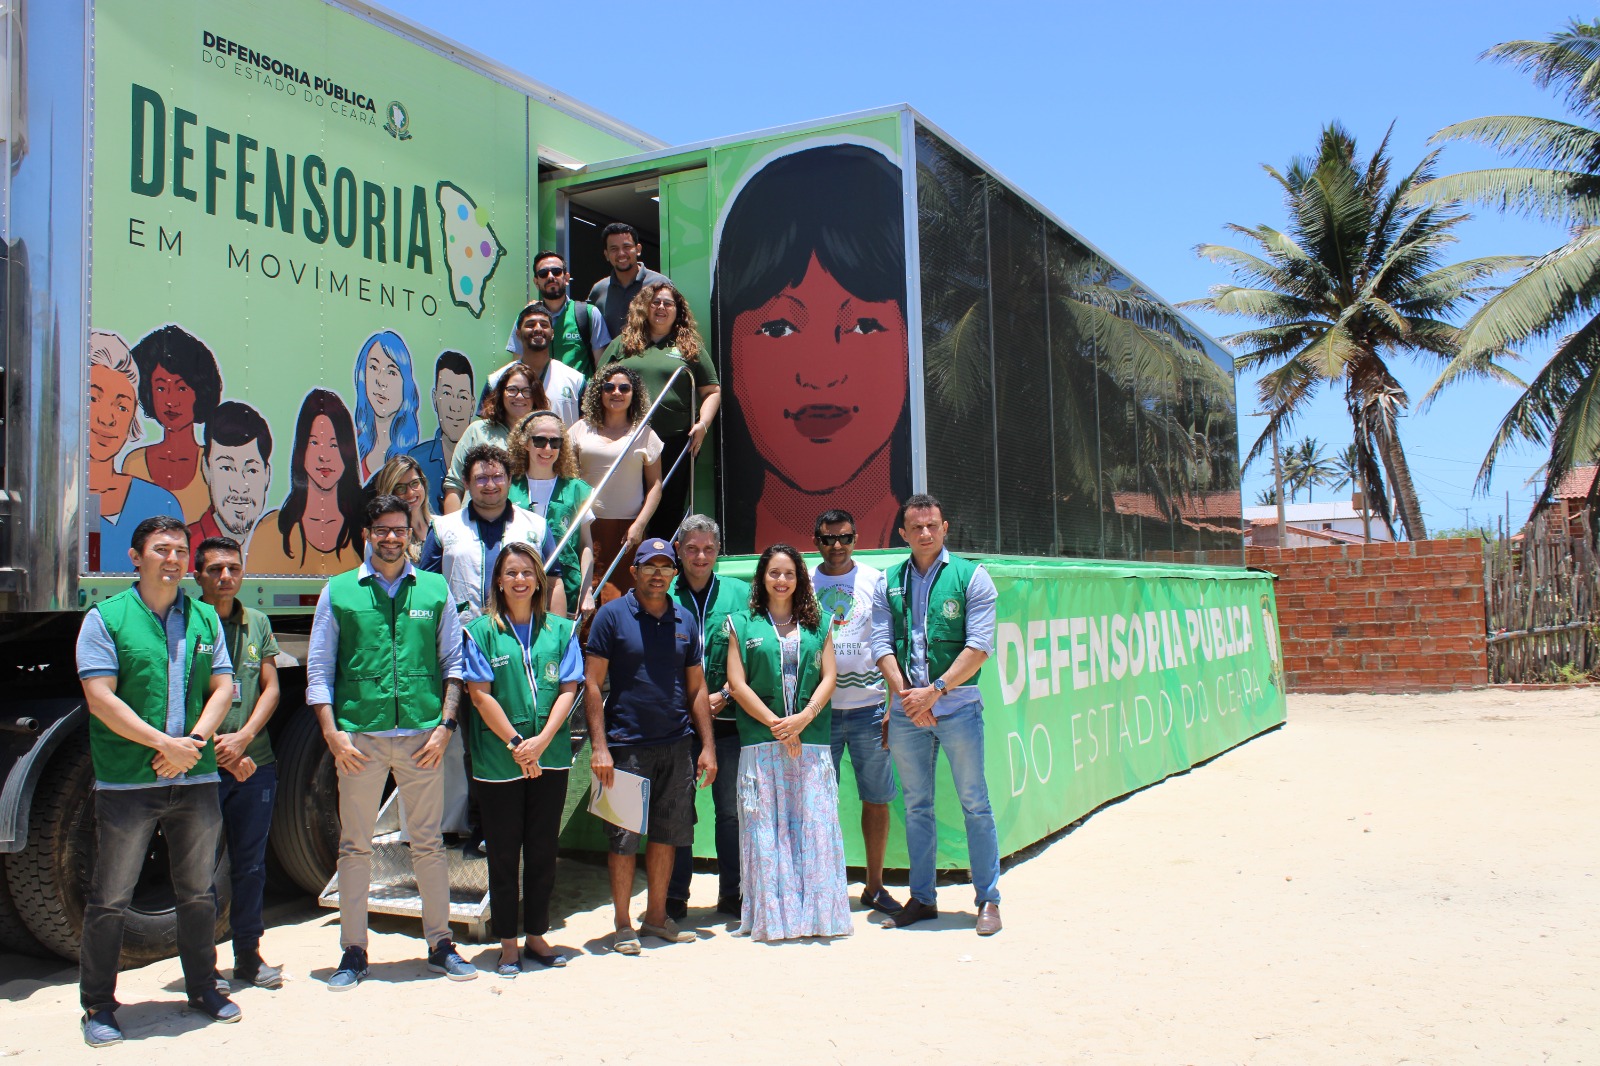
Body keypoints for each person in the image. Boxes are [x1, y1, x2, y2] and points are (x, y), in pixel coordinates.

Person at [74, 516, 240, 1046]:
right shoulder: (106, 619)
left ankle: (202, 987)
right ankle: (99, 1005)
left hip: (195, 778)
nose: (173, 560)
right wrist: (160, 745)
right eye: (161, 550)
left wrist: (189, 745)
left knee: (198, 892)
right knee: (111, 898)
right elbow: (100, 697)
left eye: (179, 551)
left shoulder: (205, 619)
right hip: (128, 782)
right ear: (136, 557)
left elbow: (224, 687)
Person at [307, 494, 475, 988]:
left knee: (428, 844)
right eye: (381, 529)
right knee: (355, 847)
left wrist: (445, 726)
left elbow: (454, 665)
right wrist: (333, 735)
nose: (391, 538)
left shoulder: (435, 590)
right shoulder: (338, 592)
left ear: (411, 535)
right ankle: (354, 952)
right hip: (360, 740)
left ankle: (441, 943)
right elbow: (318, 671)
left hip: (423, 736)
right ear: (367, 534)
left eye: (400, 530)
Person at [713, 143, 912, 551]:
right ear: (729, 349)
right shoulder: (713, 565)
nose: (821, 376)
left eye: (862, 325)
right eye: (778, 329)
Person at [871, 494, 1002, 936]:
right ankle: (923, 899)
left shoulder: (973, 577)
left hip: (958, 708)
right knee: (916, 806)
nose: (925, 533)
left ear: (945, 528)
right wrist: (910, 697)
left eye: (932, 525)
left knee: (975, 804)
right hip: (909, 710)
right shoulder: (888, 581)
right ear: (903, 533)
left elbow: (980, 646)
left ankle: (988, 899)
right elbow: (881, 646)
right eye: (916, 527)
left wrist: (936, 692)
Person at [584, 538, 716, 955]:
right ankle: (623, 924)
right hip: (625, 747)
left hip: (677, 746)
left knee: (667, 834)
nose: (658, 574)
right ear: (635, 571)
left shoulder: (684, 619)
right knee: (623, 840)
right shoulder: (611, 616)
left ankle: (656, 918)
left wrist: (706, 746)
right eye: (649, 566)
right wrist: (600, 747)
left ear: (674, 573)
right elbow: (591, 683)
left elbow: (697, 688)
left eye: (665, 567)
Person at [460, 544, 583, 977]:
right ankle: (508, 943)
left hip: (549, 758)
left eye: (527, 572)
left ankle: (536, 934)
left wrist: (542, 742)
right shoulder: (480, 632)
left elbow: (569, 689)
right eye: (511, 572)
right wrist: (518, 745)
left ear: (539, 579)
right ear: (498, 579)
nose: (519, 580)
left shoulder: (562, 632)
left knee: (544, 850)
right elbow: (479, 695)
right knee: (504, 853)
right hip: (499, 760)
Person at [724, 543, 850, 941]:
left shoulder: (821, 623)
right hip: (762, 744)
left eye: (789, 574)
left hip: (810, 743)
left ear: (800, 579)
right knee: (767, 830)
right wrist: (778, 724)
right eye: (774, 573)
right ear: (762, 578)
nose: (782, 580)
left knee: (813, 827)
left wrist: (802, 720)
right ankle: (774, 920)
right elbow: (736, 684)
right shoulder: (741, 623)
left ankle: (816, 918)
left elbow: (829, 677)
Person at [193, 535, 284, 990]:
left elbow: (270, 687)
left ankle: (248, 954)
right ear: (198, 576)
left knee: (250, 865)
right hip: (203, 767)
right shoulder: (188, 623)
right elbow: (180, 699)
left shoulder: (258, 622)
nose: (226, 576)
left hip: (256, 764)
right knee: (201, 872)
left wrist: (245, 739)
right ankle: (203, 966)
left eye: (233, 567)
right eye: (215, 569)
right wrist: (220, 753)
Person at [810, 508, 903, 915]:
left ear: (856, 538)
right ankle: (823, 888)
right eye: (828, 539)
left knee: (876, 799)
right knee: (817, 802)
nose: (836, 546)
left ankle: (875, 886)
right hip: (821, 711)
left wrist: (892, 702)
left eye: (844, 538)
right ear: (816, 540)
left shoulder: (874, 581)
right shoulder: (803, 581)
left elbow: (891, 642)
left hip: (869, 708)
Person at [665, 515, 750, 920]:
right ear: (678, 550)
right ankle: (676, 894)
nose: (700, 556)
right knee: (679, 808)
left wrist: (728, 693)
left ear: (719, 552)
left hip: (730, 721)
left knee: (730, 811)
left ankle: (731, 893)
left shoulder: (740, 593)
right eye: (692, 548)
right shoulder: (662, 591)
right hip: (679, 723)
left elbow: (756, 650)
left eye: (709, 549)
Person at [599, 281, 721, 541]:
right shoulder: (623, 344)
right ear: (645, 307)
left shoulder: (689, 346)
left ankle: (661, 564)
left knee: (669, 505)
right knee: (630, 502)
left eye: (668, 303)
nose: (661, 308)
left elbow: (711, 391)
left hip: (675, 440)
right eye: (655, 302)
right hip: (627, 438)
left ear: (678, 310)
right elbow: (599, 386)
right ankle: (626, 564)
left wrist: (703, 424)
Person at [421, 444, 559, 621]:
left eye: (498, 477)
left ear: (510, 479)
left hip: (521, 635)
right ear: (466, 482)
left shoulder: (536, 526)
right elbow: (426, 588)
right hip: (461, 637)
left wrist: (556, 638)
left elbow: (554, 584)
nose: (490, 485)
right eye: (481, 478)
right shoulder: (443, 528)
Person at [87, 330, 184, 572]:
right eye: (93, 398)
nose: (107, 419)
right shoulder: (51, 500)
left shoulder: (160, 503)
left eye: (121, 406)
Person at [569, 363, 662, 605]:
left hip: (627, 529)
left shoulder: (645, 433)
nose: (616, 392)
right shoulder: (580, 429)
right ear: (599, 392)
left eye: (624, 387)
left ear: (635, 394)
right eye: (609, 387)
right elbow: (568, 478)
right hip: (587, 526)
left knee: (623, 597)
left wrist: (639, 525)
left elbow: (655, 485)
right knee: (587, 594)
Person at [246, 388, 367, 576]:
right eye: (314, 442)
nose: (324, 456)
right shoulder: (270, 532)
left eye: (334, 444)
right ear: (301, 449)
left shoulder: (365, 530)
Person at [123, 324, 225, 524]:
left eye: (182, 388)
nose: (171, 401)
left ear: (199, 391)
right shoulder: (134, 464)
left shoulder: (215, 464)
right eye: (161, 388)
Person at [508, 411, 595, 618]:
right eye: (540, 441)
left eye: (555, 442)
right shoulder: (508, 487)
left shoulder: (577, 490)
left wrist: (587, 591)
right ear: (525, 443)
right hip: (517, 587)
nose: (547, 449)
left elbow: (585, 545)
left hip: (565, 589)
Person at [441, 364, 548, 512]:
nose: (519, 396)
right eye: (512, 390)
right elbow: (454, 485)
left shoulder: (544, 438)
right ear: (500, 393)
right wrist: (451, 531)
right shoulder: (477, 431)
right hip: (473, 524)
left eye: (527, 391)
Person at [501, 251, 611, 376]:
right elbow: (518, 366)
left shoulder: (588, 314)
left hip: (579, 394)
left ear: (566, 278)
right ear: (536, 282)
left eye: (556, 271)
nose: (550, 276)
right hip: (538, 394)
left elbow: (602, 368)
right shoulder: (526, 317)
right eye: (543, 273)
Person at [187, 401, 273, 559]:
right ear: (206, 469)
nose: (239, 486)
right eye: (226, 468)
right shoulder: (185, 551)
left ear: (267, 475)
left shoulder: (278, 548)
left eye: (252, 470)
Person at [482, 303, 587, 426]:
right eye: (530, 325)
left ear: (552, 333)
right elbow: (485, 428)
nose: (538, 329)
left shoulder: (575, 381)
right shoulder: (496, 380)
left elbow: (587, 428)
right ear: (518, 333)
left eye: (544, 325)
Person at [408, 351, 476, 512]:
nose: (455, 406)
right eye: (446, 394)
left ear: (473, 405)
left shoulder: (485, 462)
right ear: (434, 398)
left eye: (463, 397)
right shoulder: (415, 461)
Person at [352, 330, 421, 483]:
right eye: (373, 367)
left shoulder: (418, 453)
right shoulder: (350, 445)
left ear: (406, 384)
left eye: (391, 372)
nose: (381, 381)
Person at [586, 222, 670, 339]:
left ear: (638, 249)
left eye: (627, 247)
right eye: (614, 249)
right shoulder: (599, 290)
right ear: (606, 254)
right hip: (612, 357)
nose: (621, 253)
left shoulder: (660, 284)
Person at [371, 454, 434, 560]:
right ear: (389, 494)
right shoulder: (382, 540)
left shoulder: (442, 527)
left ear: (423, 484)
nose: (410, 493)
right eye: (400, 488)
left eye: (415, 483)